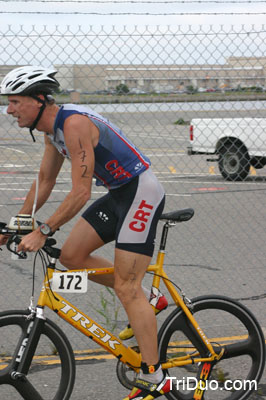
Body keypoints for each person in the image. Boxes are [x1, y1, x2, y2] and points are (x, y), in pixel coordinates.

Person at [0, 66, 171, 399]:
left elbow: (80, 193)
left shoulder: (74, 124)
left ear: (38, 100)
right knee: (72, 256)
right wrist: (16, 225)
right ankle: (152, 299)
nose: (9, 110)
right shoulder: (53, 132)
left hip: (141, 192)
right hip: (119, 194)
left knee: (127, 286)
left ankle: (155, 374)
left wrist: (45, 229)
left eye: (15, 102)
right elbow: (45, 181)